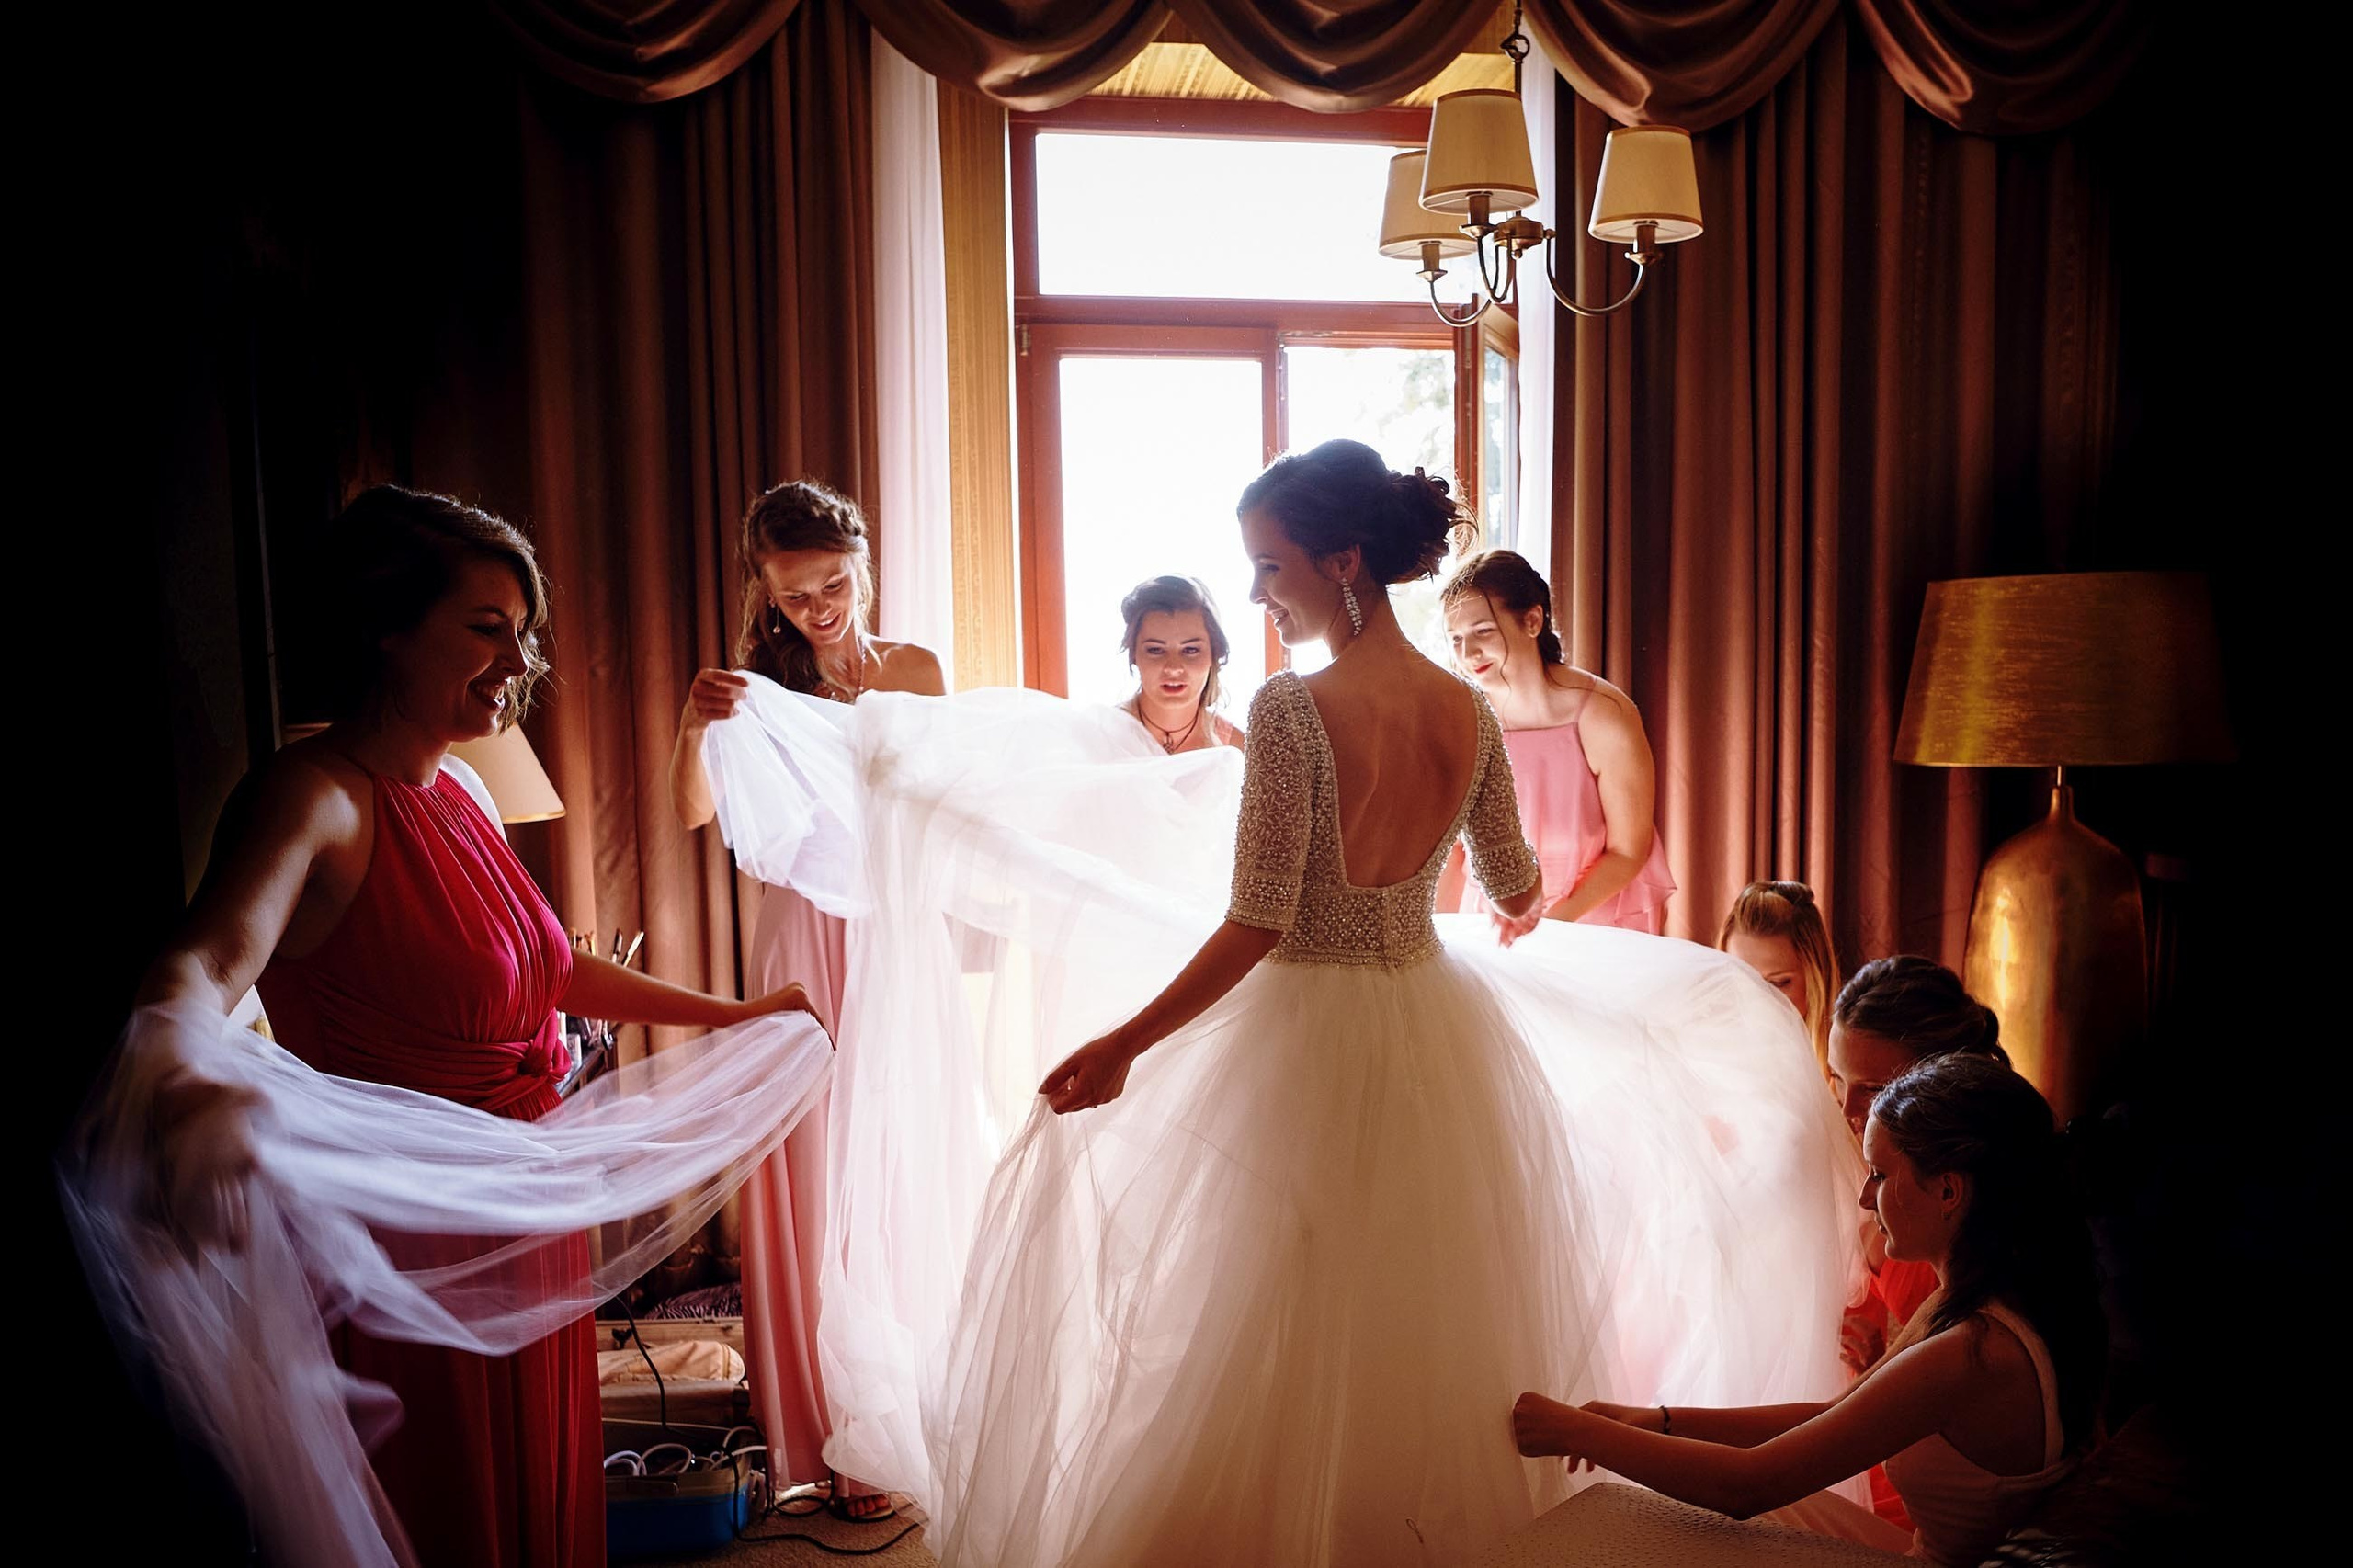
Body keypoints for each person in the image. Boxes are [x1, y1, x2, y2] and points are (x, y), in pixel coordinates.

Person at [904, 441, 1859, 1567]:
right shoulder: (1467, 710)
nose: (1258, 593)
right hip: (1430, 1030)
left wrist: (1126, 1041)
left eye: (1270, 565)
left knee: (1276, 1307)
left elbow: (1259, 918)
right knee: (1412, 1315)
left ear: (1342, 560)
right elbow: (1515, 886)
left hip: (1306, 1037)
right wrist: (1466, 898)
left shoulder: (1292, 712)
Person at [103, 485, 824, 1566]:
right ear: (383, 626)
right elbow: (208, 955)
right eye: (487, 627)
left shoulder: (463, 795)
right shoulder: (313, 796)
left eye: (522, 629)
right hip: (407, 1231)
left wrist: (737, 1011)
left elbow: (546, 969)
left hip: (518, 1202)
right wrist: (173, 1054)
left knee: (538, 1486)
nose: (517, 656)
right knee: (451, 1497)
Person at [1512, 1053, 2103, 1568]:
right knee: (1676, 1503)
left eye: (1880, 1172)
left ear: (1949, 1191)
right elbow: (1833, 1411)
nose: (1864, 1196)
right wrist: (1656, 1418)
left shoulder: (1972, 1352)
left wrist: (1574, 1429)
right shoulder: (1993, 1295)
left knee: (1658, 1519)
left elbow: (1748, 1486)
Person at [668, 478, 943, 1520]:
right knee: (814, 1169)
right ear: (763, 590)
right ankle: (822, 1432)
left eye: (832, 583)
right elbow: (692, 809)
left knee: (895, 1165)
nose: (818, 607)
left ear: (861, 561)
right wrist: (694, 726)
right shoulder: (750, 682)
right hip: (799, 937)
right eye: (794, 595)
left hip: (889, 928)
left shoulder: (913, 669)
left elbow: (946, 801)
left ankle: (892, 1410)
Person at [1438, 550, 1675, 932]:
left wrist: (1550, 925)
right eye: (1456, 639)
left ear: (1532, 621)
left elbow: (1628, 850)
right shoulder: (1465, 719)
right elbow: (1455, 852)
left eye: (1483, 631)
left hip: (1592, 922)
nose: (1468, 654)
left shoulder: (1603, 714)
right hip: (1490, 924)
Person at [1720, 880, 1840, 1078]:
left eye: (1779, 983)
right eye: (1742, 979)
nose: (1759, 1000)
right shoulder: (1705, 1057)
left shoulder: (1846, 1073)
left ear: (1816, 976)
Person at [1114, 574, 1245, 754]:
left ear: (1215, 654)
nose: (1173, 668)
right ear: (1134, 653)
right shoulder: (1103, 737)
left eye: (1190, 650)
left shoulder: (1238, 748)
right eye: (1155, 650)